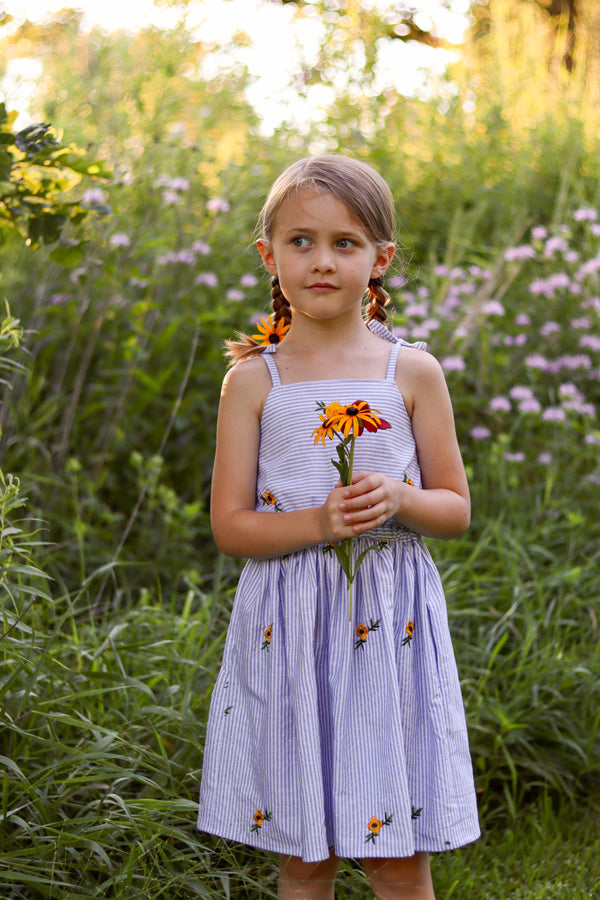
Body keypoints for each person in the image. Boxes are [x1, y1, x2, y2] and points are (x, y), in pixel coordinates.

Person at [197, 154, 480, 899]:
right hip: (292, 627)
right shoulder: (256, 380)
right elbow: (231, 526)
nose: (321, 261)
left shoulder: (411, 373)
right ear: (269, 255)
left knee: (398, 856)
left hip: (392, 629)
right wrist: (321, 521)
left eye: (345, 244)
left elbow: (454, 507)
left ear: (380, 258)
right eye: (300, 242)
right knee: (304, 854)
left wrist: (400, 499)